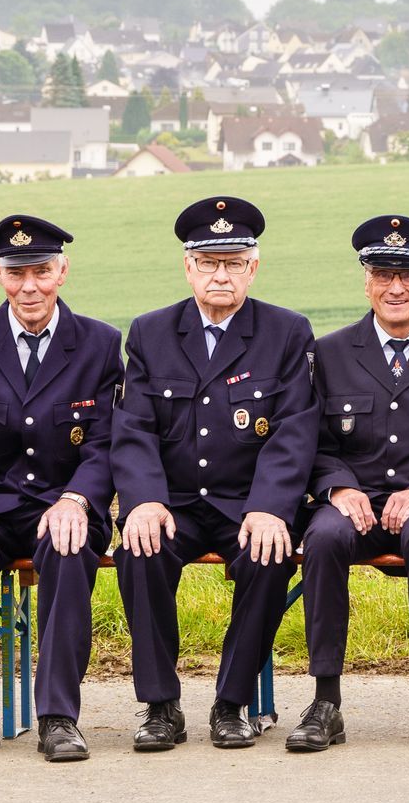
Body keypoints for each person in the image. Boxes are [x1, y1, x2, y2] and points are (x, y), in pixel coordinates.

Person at [112, 196, 316, 750]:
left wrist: (271, 507)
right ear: (188, 267)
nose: (220, 274)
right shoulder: (152, 332)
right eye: (209, 262)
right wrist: (144, 501)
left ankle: (232, 703)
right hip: (173, 502)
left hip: (245, 502)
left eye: (233, 262)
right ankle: (160, 706)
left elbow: (294, 430)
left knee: (269, 555)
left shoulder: (286, 332)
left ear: (253, 267)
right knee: (139, 551)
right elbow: (133, 429)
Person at [0, 215, 123, 761]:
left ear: (63, 271)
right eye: (15, 273)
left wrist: (78, 499)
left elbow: (105, 443)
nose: (28, 286)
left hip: (66, 501)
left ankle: (58, 717)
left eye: (40, 271)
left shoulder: (101, 344)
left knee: (68, 546)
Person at [288, 214, 409, 753]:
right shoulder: (328, 353)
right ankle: (326, 700)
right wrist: (338, 487)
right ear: (366, 279)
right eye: (383, 273)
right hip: (357, 503)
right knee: (323, 536)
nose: (396, 287)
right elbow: (310, 442)